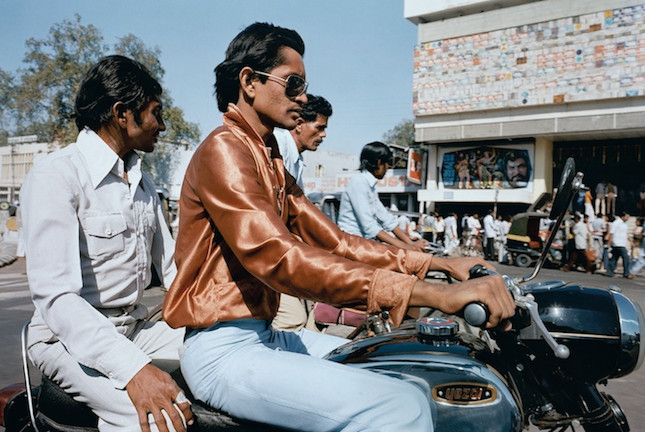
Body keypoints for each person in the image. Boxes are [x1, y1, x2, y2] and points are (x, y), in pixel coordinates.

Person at [162, 22, 515, 432]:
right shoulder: (224, 150)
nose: (303, 97)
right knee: (400, 407)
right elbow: (280, 256)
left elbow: (337, 242)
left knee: (397, 366)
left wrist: (437, 264)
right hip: (224, 349)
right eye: (293, 83)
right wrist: (435, 294)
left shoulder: (269, 157)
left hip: (265, 336)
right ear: (249, 82)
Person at [20, 55, 193, 432]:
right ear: (121, 113)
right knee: (156, 417)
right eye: (155, 113)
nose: (162, 125)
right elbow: (57, 300)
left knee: (218, 360)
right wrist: (134, 370)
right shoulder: (57, 176)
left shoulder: (143, 184)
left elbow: (173, 272)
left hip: (136, 329)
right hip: (64, 340)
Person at [337, 141, 427, 251]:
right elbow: (369, 226)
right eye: (387, 163)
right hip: (350, 244)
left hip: (362, 242)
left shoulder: (370, 185)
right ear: (379, 163)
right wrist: (407, 247)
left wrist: (412, 243)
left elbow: (386, 219)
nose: (388, 167)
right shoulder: (359, 182)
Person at [274, 93, 332, 189]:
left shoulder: (297, 158)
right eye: (319, 128)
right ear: (299, 124)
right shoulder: (279, 145)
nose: (323, 135)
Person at [605, 211, 632, 278]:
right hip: (617, 243)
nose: (628, 218)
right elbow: (611, 233)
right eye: (627, 217)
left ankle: (610, 272)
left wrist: (630, 241)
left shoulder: (625, 224)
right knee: (626, 257)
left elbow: (625, 234)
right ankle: (626, 273)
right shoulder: (616, 223)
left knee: (614, 258)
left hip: (622, 243)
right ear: (622, 216)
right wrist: (609, 243)